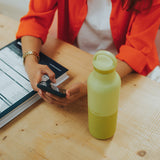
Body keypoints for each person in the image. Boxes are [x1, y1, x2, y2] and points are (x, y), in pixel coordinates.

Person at [16, 0, 160, 105]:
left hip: (130, 71)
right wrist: (30, 62)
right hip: (80, 62)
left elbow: (136, 50)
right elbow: (35, 19)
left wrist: (92, 84)